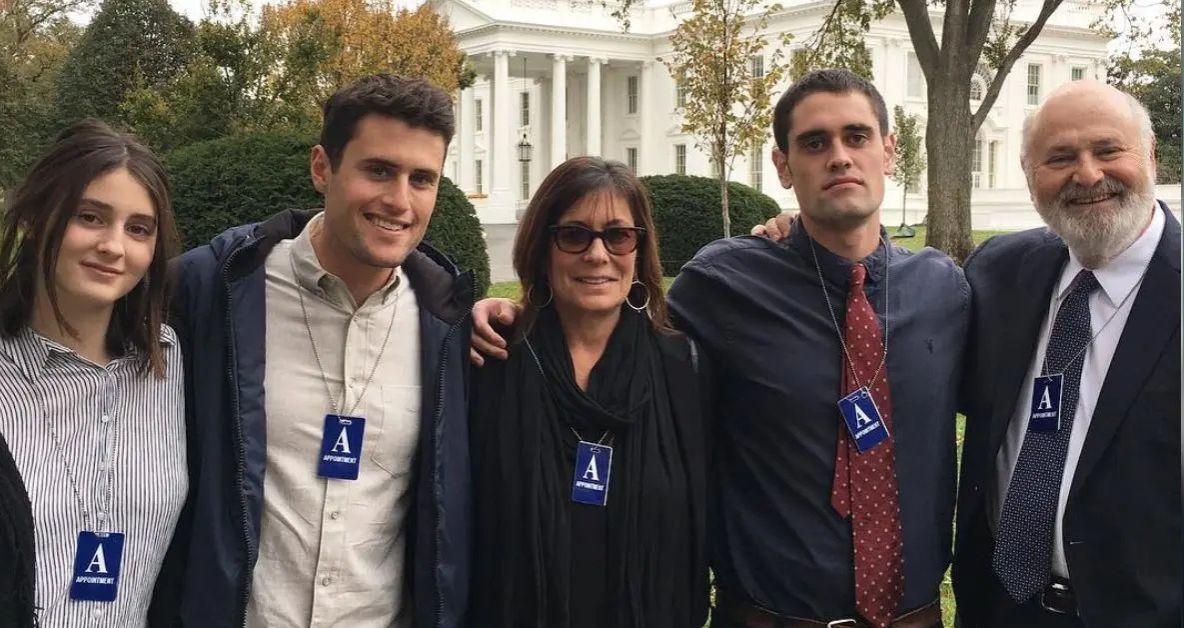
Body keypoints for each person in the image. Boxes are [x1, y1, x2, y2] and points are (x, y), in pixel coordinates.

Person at [473, 69, 965, 627]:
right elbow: (618, 318)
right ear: (783, 165)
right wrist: (515, 312)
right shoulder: (725, 284)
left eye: (857, 136)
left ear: (889, 150)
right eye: (814, 143)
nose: (839, 157)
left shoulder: (945, 291)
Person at [169, 73, 474, 627]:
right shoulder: (214, 292)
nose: (399, 201)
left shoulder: (448, 326)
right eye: (378, 170)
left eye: (422, 179)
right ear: (321, 168)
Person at [953, 80, 1181, 627]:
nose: (1088, 174)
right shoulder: (997, 273)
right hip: (998, 609)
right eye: (1060, 158)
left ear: (1150, 155)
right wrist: (804, 248)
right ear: (1029, 175)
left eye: (1108, 150)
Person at [469, 156, 712, 627]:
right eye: (574, 235)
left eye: (618, 235)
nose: (598, 255)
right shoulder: (490, 361)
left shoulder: (683, 368)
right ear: (542, 247)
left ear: (640, 249)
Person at [0, 119, 185, 627]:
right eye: (90, 217)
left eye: (138, 229)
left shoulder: (168, 364)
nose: (114, 246)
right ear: (36, 218)